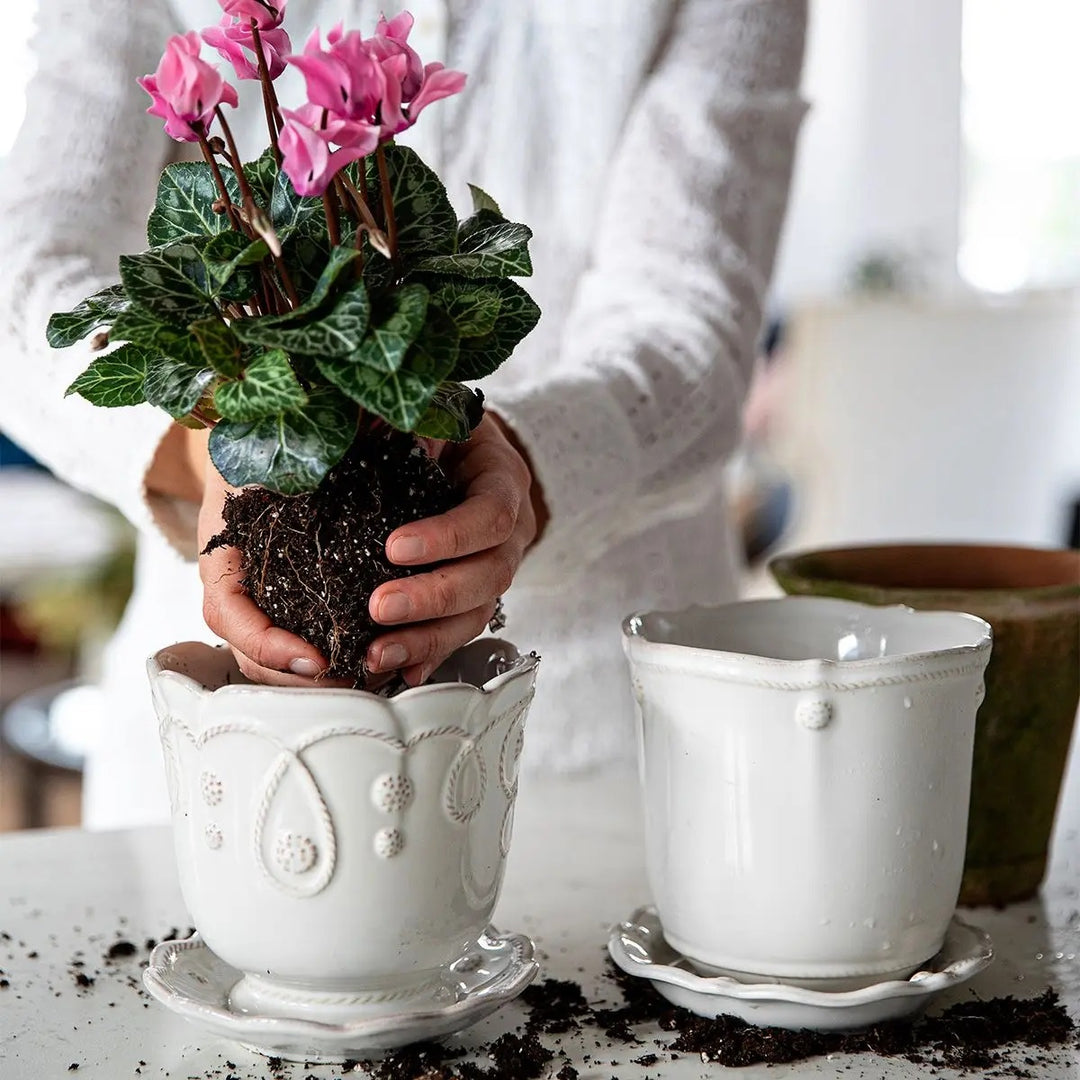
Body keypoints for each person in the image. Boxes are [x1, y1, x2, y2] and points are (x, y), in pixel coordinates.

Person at [0, 0, 807, 828]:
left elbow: (690, 334)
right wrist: (217, 445)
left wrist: (525, 465)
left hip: (602, 740)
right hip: (222, 741)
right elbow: (23, 279)